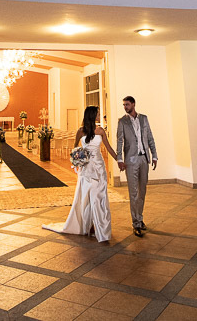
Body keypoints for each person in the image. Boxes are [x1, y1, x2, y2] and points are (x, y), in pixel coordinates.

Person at [42, 106, 118, 243]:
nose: (100, 116)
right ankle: (89, 226)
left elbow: (108, 147)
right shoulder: (80, 131)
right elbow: (75, 148)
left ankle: (99, 228)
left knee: (99, 197)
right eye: (98, 114)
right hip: (86, 169)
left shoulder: (100, 130)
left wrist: (119, 160)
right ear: (92, 115)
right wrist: (78, 158)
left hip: (99, 169)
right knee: (86, 198)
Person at [116, 95, 157, 237]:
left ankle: (140, 218)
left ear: (133, 104)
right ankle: (136, 223)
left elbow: (150, 137)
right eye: (124, 105)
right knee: (133, 193)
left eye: (127, 104)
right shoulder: (122, 121)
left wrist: (154, 155)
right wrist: (119, 159)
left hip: (144, 159)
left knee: (142, 191)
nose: (125, 107)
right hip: (130, 161)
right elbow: (120, 141)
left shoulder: (144, 119)